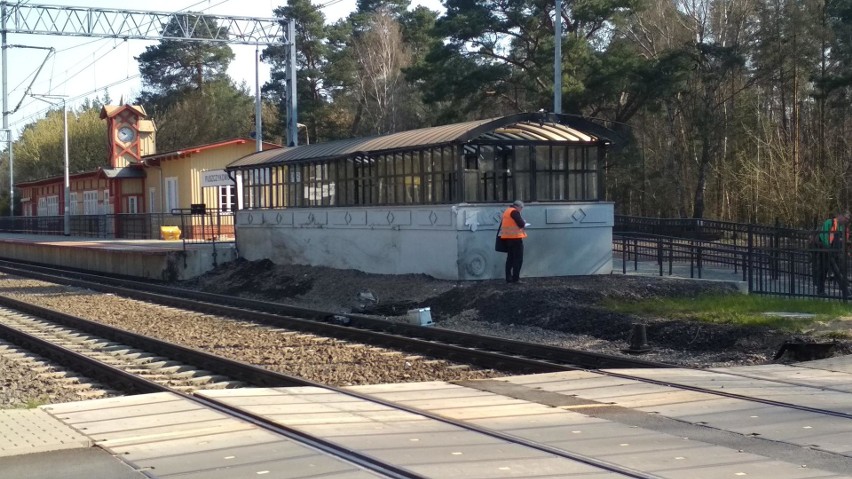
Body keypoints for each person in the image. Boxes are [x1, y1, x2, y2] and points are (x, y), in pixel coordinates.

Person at [813, 211, 851, 295]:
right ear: (840, 215)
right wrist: (827, 248)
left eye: (848, 220)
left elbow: (843, 241)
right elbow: (824, 236)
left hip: (834, 252)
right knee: (824, 271)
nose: (847, 221)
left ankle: (845, 290)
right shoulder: (829, 222)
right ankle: (821, 291)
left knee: (838, 271)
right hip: (824, 250)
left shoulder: (842, 227)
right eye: (846, 218)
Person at [499, 200, 528, 283]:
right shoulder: (514, 212)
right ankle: (516, 278)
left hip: (508, 238)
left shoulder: (507, 211)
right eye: (521, 208)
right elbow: (521, 224)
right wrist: (524, 222)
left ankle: (508, 278)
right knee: (518, 259)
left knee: (510, 259)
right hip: (516, 238)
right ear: (517, 206)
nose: (521, 210)